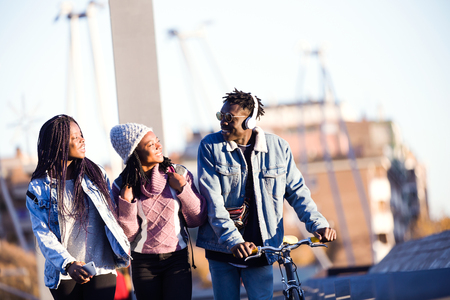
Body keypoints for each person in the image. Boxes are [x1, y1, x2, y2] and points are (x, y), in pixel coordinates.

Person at [196, 88, 337, 300]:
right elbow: (213, 202)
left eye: (229, 117)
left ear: (249, 121)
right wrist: (234, 240)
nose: (222, 122)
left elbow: (298, 192)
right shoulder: (210, 147)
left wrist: (318, 224)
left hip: (260, 249)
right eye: (220, 116)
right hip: (221, 248)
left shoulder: (279, 148)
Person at [26, 115, 131, 300]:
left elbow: (111, 217)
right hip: (65, 273)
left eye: (81, 135)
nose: (82, 139)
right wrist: (69, 264)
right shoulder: (39, 187)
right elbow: (43, 234)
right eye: (74, 137)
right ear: (57, 144)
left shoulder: (96, 173)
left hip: (101, 267)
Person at [110, 123, 207, 300]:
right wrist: (127, 203)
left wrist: (183, 189)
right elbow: (128, 236)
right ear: (134, 154)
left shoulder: (179, 173)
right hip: (142, 263)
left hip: (177, 258)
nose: (158, 146)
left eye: (157, 141)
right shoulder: (120, 186)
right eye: (150, 145)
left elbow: (197, 219)